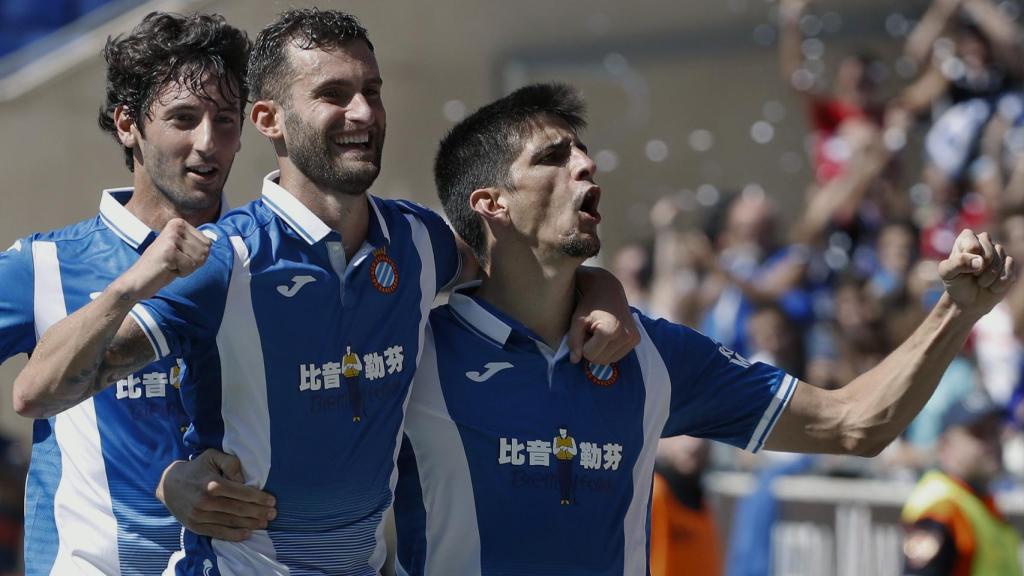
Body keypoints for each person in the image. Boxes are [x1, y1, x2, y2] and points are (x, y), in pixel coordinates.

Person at [12, 10, 636, 575]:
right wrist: (135, 284)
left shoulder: (420, 242)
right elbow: (38, 392)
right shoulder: (226, 258)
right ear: (271, 120)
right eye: (334, 95)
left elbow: (523, 266)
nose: (362, 113)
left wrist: (604, 290)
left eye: (372, 92)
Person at [391, 83, 1014, 574]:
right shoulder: (413, 351)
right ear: (491, 204)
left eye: (583, 152)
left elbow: (855, 424)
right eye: (554, 157)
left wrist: (956, 311)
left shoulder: (651, 354)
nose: (586, 166)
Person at [0, 12, 258, 575]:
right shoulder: (41, 266)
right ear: (126, 124)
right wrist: (131, 285)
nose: (207, 143)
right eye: (183, 119)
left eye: (226, 120)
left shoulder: (263, 264)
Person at [901, 392, 1022, 575]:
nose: (992, 442)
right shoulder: (941, 507)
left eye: (994, 431)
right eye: (979, 434)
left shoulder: (976, 502)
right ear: (945, 447)